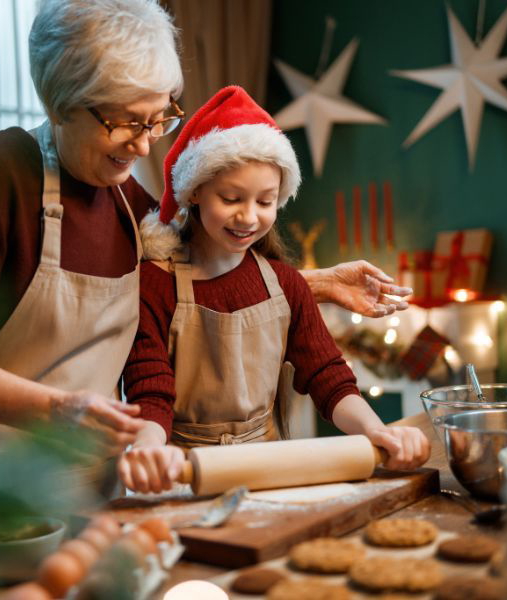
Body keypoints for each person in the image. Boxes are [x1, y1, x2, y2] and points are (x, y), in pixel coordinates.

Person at [0, 0, 408, 500]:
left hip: (94, 484)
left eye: (159, 118)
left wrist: (315, 286)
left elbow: (205, 273)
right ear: (60, 104)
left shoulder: (125, 197)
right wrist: (53, 408)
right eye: (124, 122)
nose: (145, 146)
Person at [115, 86, 430, 493]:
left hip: (269, 472)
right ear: (194, 191)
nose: (248, 217)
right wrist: (148, 449)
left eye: (265, 202)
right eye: (231, 198)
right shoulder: (155, 284)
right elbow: (150, 392)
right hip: (181, 476)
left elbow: (329, 378)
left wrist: (376, 430)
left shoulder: (286, 284)